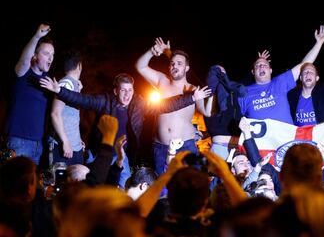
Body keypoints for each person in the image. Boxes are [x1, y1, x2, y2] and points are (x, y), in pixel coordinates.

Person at [39, 73, 211, 188]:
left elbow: (165, 105)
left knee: (124, 185)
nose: (127, 95)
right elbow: (82, 99)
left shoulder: (139, 103)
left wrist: (192, 98)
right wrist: (59, 90)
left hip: (122, 155)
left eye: (130, 90)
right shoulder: (105, 101)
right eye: (123, 90)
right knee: (94, 185)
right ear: (116, 91)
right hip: (100, 151)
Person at [135, 37, 213, 175]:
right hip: (161, 147)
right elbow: (140, 66)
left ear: (186, 68)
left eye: (179, 63)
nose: (174, 66)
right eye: (172, 63)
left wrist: (212, 93)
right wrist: (152, 52)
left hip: (186, 146)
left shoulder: (193, 89)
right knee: (163, 187)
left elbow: (206, 112)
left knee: (190, 185)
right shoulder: (161, 80)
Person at [238, 25, 324, 124]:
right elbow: (231, 116)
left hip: (286, 138)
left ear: (271, 70)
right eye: (257, 66)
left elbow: (304, 65)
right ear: (253, 72)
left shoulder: (280, 82)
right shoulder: (244, 93)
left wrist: (319, 43)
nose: (261, 67)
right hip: (261, 139)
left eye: (265, 65)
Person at [4, 24, 54, 165]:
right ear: (35, 55)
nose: (50, 58)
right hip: (17, 141)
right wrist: (37, 36)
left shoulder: (48, 79)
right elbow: (24, 61)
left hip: (38, 144)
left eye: (52, 54)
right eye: (46, 53)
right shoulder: (23, 73)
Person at [49, 50, 84, 166]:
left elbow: (70, 115)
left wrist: (78, 141)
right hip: (63, 148)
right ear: (79, 66)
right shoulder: (66, 83)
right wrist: (65, 141)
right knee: (61, 183)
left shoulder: (73, 84)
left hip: (74, 147)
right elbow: (55, 113)